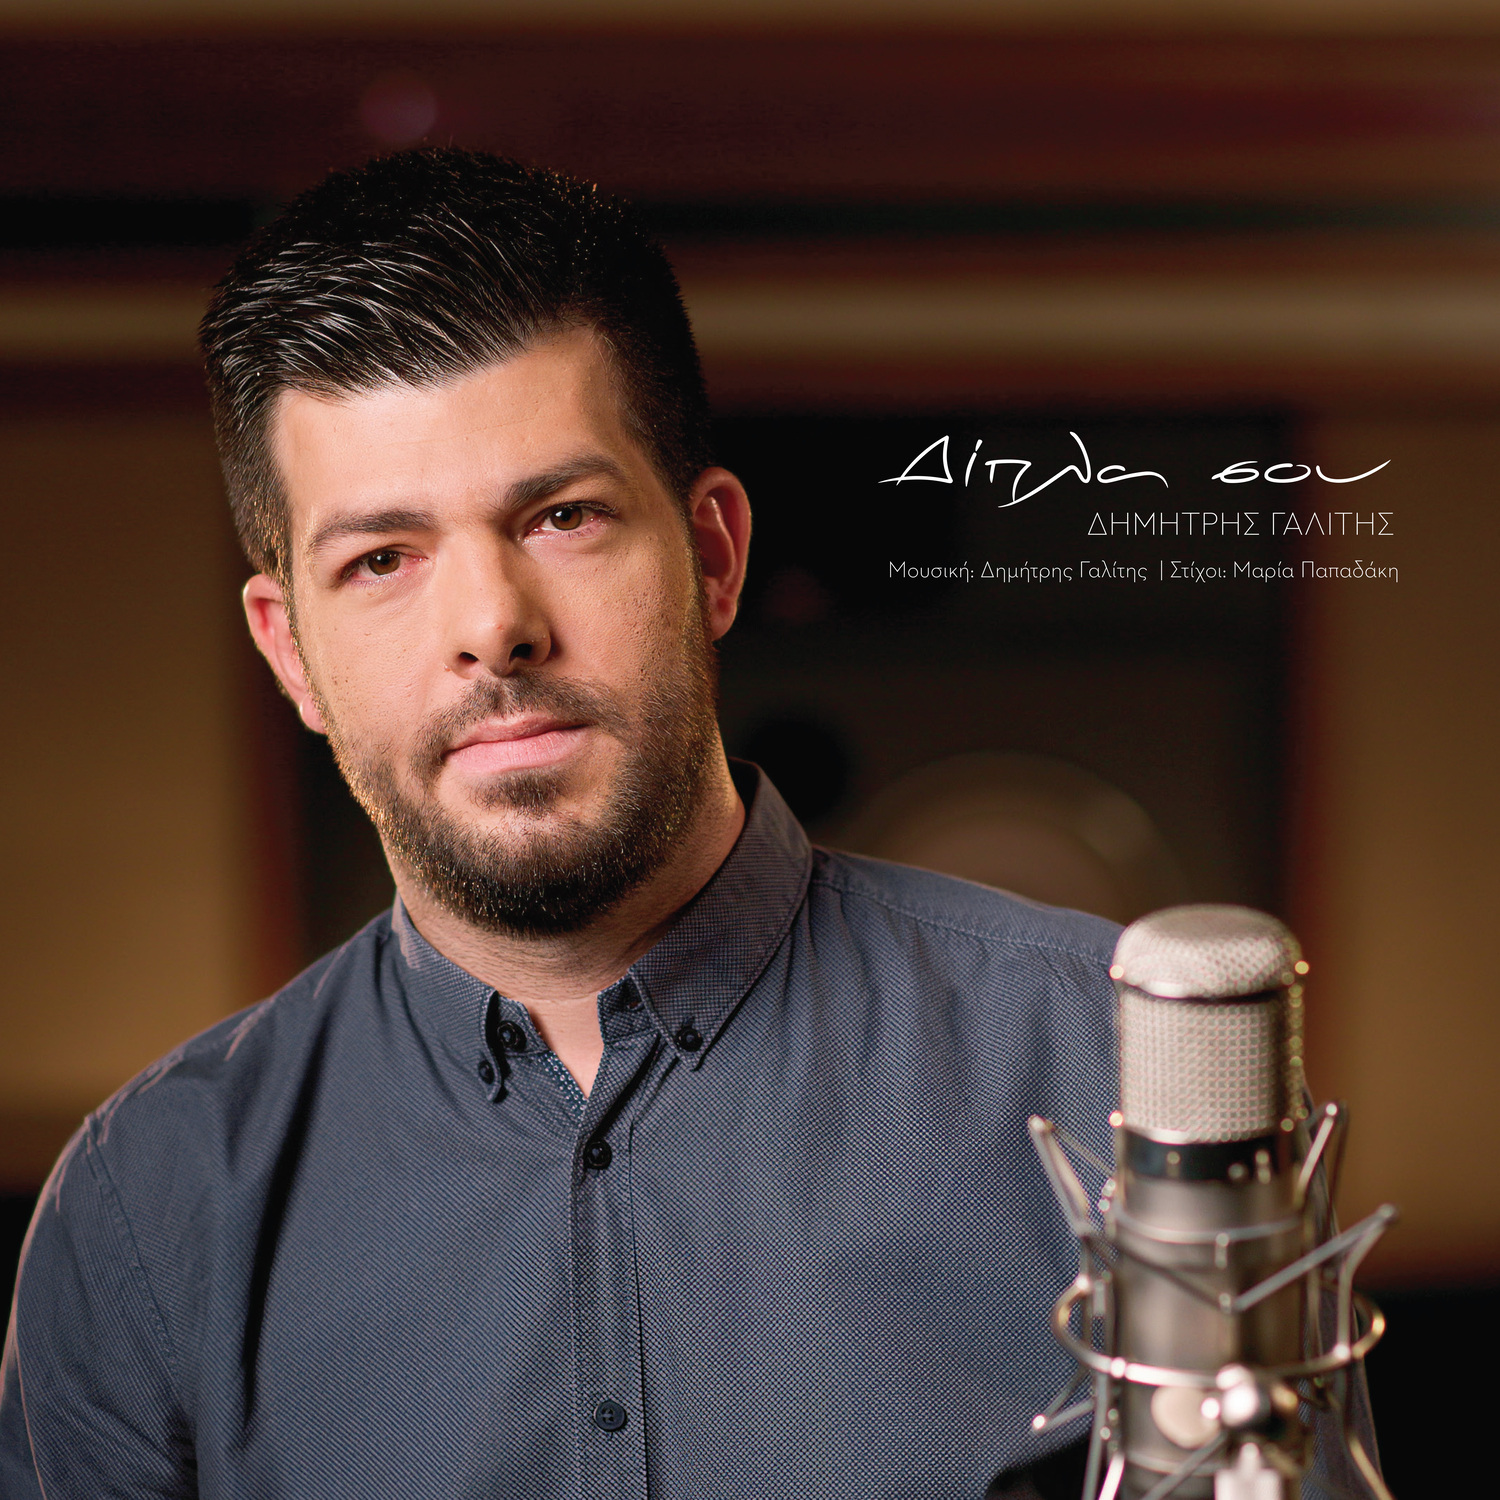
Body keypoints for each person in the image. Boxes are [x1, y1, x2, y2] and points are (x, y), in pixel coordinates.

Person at [0, 149, 1355, 1500]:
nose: (492, 627)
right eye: (382, 559)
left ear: (713, 554)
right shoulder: (146, 1209)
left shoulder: (1120, 1069)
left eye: (563, 516)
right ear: (290, 650)